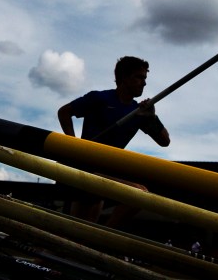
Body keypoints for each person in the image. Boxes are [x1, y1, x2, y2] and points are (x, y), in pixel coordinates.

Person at [57, 56, 170, 228]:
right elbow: (64, 112)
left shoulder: (139, 112)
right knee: (138, 194)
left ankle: (101, 235)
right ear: (124, 78)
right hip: (86, 168)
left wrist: (152, 117)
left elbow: (165, 141)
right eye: (139, 77)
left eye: (145, 78)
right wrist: (74, 145)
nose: (144, 83)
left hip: (107, 172)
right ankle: (99, 237)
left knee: (87, 226)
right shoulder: (99, 99)